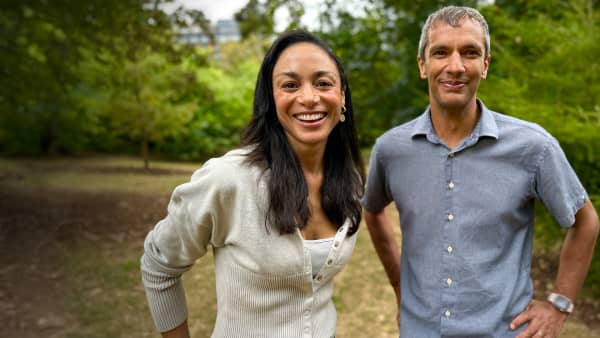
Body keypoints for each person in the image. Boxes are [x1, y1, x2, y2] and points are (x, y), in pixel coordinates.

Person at [362, 5, 599, 338]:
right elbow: (372, 212)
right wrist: (402, 287)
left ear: (485, 65)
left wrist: (560, 304)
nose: (455, 66)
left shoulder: (533, 147)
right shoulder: (391, 150)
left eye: (470, 53)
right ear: (422, 65)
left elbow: (585, 222)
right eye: (440, 52)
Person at [140, 30, 365, 338]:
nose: (309, 97)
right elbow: (158, 266)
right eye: (290, 84)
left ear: (342, 98)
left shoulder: (349, 182)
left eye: (323, 83)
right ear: (270, 101)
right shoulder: (227, 180)